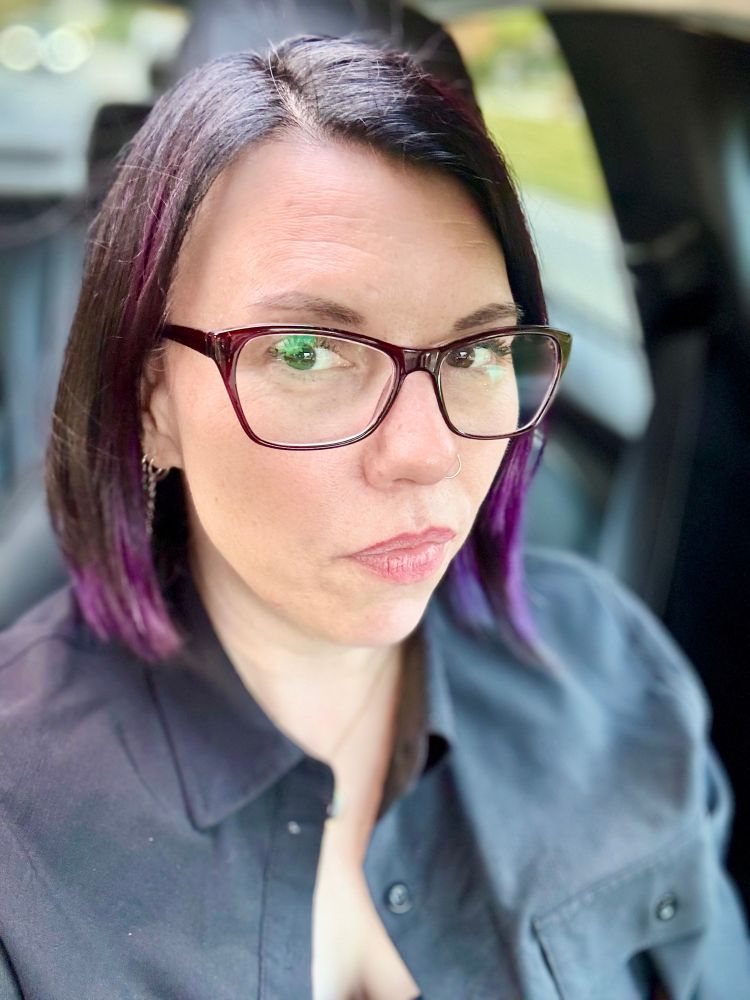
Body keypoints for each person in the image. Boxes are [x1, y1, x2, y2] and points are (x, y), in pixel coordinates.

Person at [0, 35, 747, 1000]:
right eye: (309, 352)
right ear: (151, 402)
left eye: (476, 353)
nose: (427, 453)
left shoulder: (616, 682)